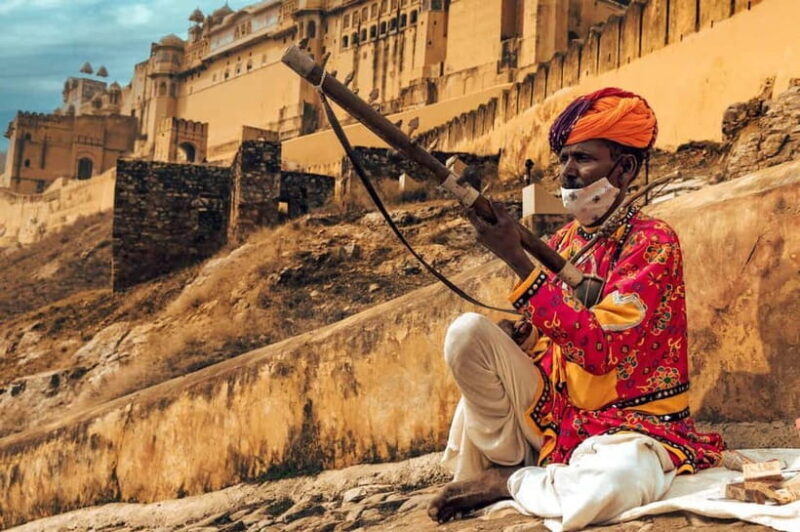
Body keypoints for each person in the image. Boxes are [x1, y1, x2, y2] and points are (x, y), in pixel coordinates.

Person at [428, 88, 725, 530]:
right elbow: (551, 337)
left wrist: (516, 261)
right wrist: (524, 336)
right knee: (467, 333)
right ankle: (515, 463)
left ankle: (510, 481)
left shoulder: (653, 242)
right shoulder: (565, 240)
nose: (567, 172)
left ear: (624, 169)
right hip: (559, 414)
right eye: (564, 159)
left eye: (582, 159)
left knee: (612, 486)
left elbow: (599, 351)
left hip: (631, 423)